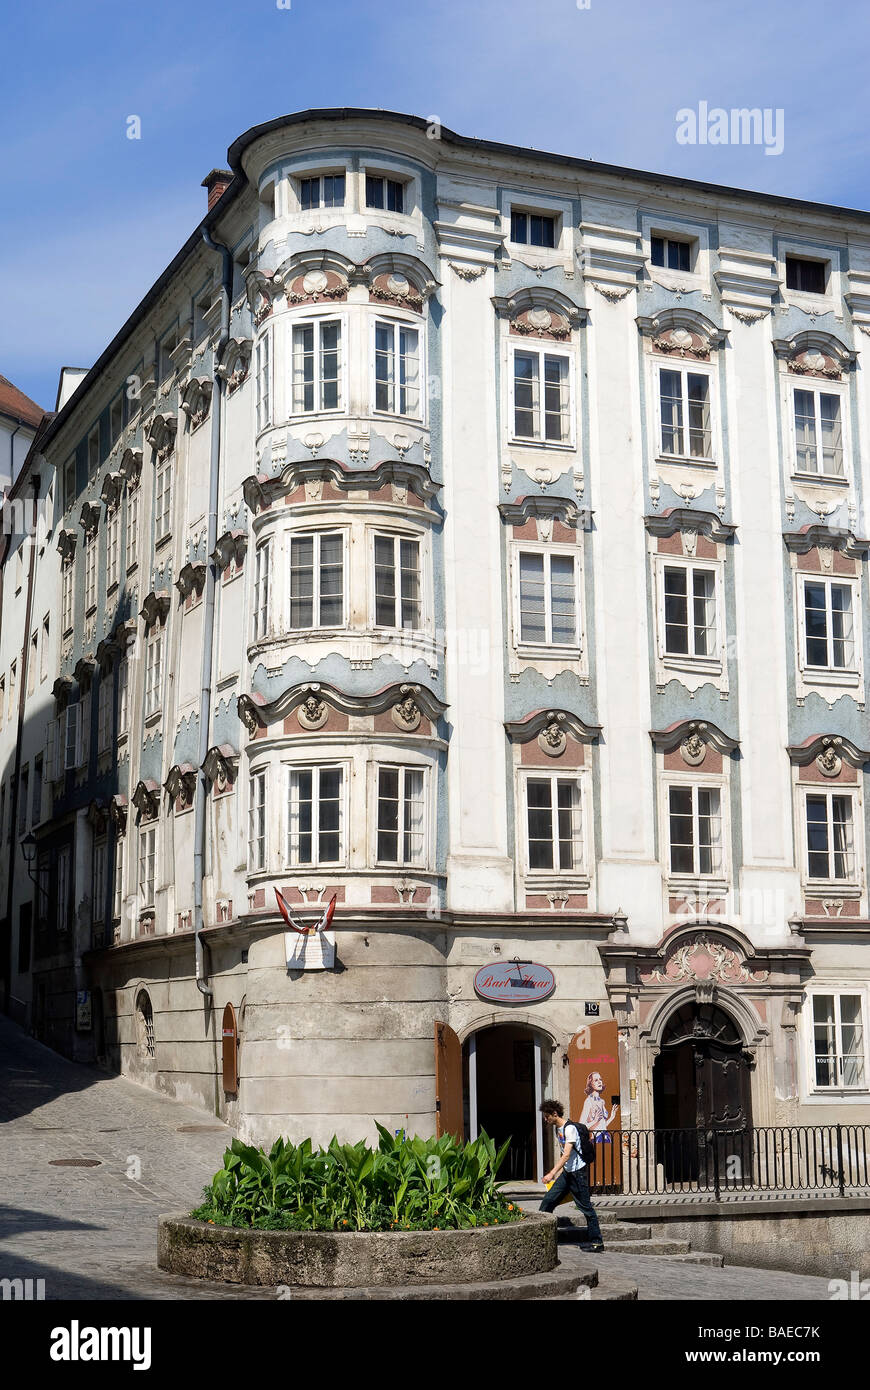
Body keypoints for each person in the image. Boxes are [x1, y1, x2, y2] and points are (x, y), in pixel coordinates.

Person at [538, 1099, 604, 1251]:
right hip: (567, 1173)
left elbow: (566, 1154)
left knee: (586, 1208)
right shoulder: (558, 1129)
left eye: (547, 1116)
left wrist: (551, 1173)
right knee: (548, 1201)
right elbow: (565, 1155)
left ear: (555, 1114)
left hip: (578, 1173)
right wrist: (560, 1173)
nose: (545, 1119)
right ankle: (543, 1238)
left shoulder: (570, 1129)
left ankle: (597, 1242)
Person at [580, 1071, 619, 1144]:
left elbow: (602, 1126)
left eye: (600, 1079)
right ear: (590, 1084)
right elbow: (581, 1126)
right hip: (596, 1138)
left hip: (606, 1136)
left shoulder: (602, 1101)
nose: (599, 1082)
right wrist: (594, 1121)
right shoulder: (588, 1101)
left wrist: (612, 1117)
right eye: (596, 1080)